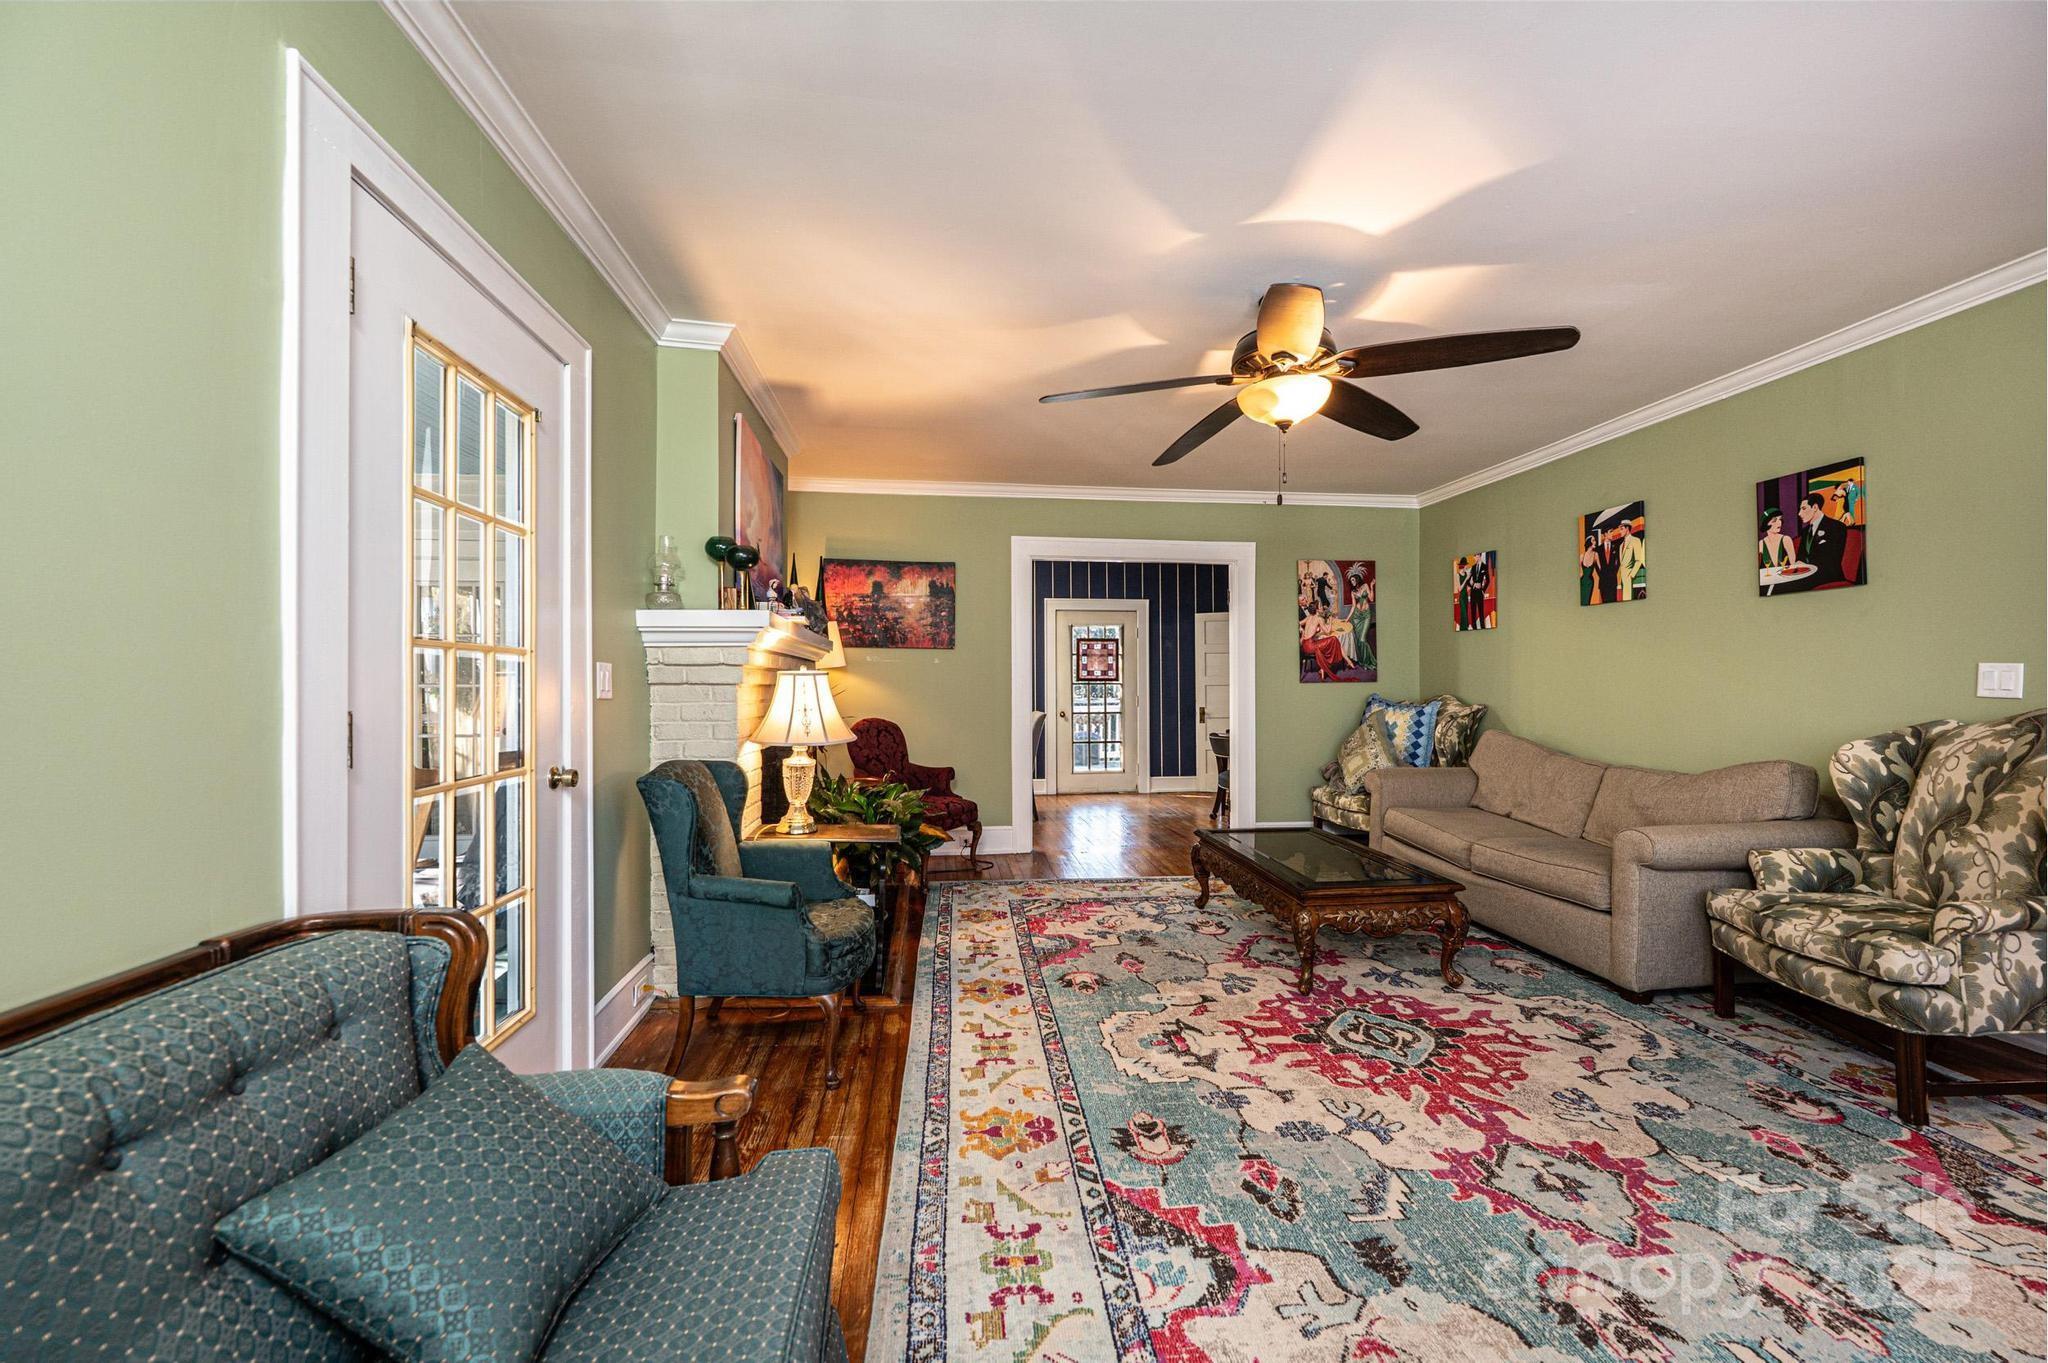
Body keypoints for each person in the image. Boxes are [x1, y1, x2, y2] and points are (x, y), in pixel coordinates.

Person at [1797, 491, 1850, 586]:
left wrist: (1806, 567)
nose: (1799, 513)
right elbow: (1801, 556)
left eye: (1803, 509)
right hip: (1806, 575)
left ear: (1815, 507)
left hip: (1829, 577)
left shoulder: (1837, 526)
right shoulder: (1805, 531)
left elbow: (1832, 560)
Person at [1758, 507, 1800, 580]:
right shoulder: (1761, 544)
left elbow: (1793, 565)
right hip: (1769, 581)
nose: (1779, 522)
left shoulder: (1786, 540)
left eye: (1780, 519)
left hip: (1786, 579)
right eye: (1774, 520)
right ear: (1766, 524)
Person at [1617, 519, 1646, 601]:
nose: (1620, 531)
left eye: (1622, 529)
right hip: (1622, 579)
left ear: (1627, 528)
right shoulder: (1621, 545)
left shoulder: (1635, 541)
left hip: (1630, 578)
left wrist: (1631, 575)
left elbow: (1638, 560)